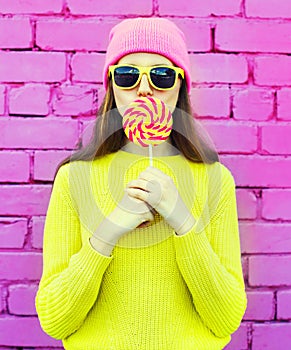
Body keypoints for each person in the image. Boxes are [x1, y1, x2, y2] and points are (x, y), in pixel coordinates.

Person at [35, 17, 247, 350]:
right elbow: (55, 320)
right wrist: (108, 231)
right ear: (111, 85)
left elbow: (226, 318)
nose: (144, 88)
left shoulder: (215, 180)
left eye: (161, 75)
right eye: (127, 75)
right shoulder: (74, 179)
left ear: (180, 86)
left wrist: (181, 218)